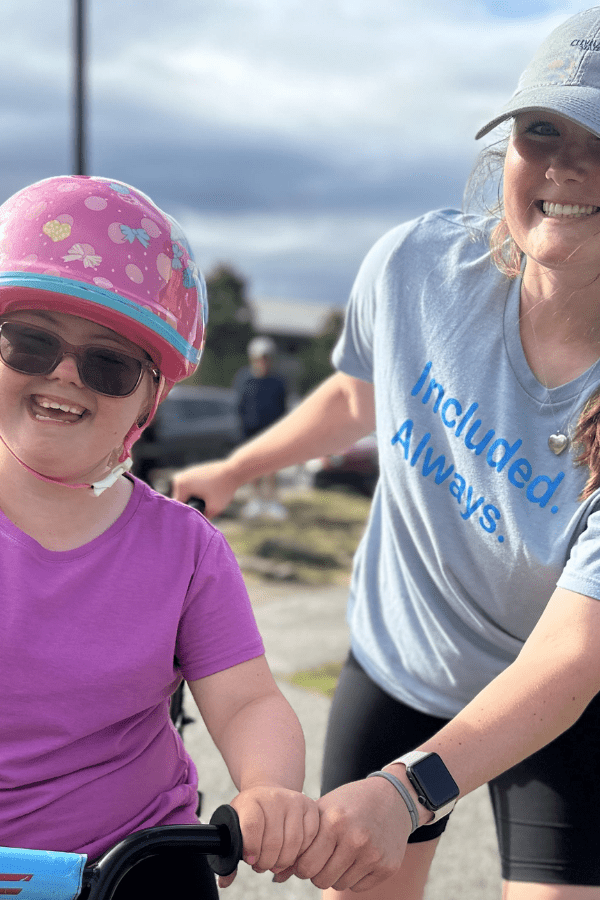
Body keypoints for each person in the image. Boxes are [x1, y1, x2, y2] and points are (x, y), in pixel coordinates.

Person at [172, 7, 600, 899]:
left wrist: (409, 791)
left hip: (551, 695)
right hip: (400, 657)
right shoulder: (414, 269)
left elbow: (575, 654)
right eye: (542, 128)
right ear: (507, 147)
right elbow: (356, 397)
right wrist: (237, 469)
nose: (566, 164)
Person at [0, 175, 318, 899]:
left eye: (109, 364)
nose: (64, 374)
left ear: (152, 396)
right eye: (29, 342)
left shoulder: (185, 550)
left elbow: (247, 702)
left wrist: (268, 787)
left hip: (137, 864)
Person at [233, 335, 288, 519]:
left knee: (271, 468)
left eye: (266, 357)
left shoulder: (278, 382)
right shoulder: (244, 379)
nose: (263, 362)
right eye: (259, 358)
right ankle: (256, 502)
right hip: (250, 432)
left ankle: (272, 503)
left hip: (272, 433)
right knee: (252, 469)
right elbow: (239, 406)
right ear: (253, 358)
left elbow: (283, 408)